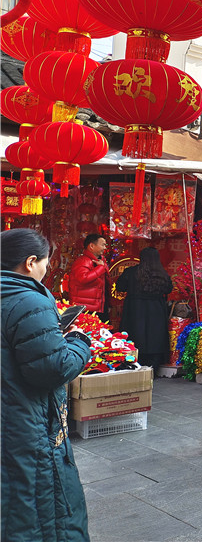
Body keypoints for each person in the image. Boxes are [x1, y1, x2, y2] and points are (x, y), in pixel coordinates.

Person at [2, 228, 92, 541]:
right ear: (30, 262)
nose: (46, 268)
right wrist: (79, 342)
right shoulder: (28, 300)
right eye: (45, 262)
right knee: (40, 510)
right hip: (25, 425)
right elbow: (53, 369)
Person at [116, 247, 173, 371]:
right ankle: (153, 367)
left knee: (135, 336)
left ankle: (134, 364)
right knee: (155, 336)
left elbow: (120, 286)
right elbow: (169, 289)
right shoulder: (162, 274)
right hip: (156, 310)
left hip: (135, 309)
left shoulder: (131, 272)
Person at [68, 233, 110, 319]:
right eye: (102, 245)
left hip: (97, 307)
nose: (105, 248)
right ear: (91, 246)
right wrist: (101, 268)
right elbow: (83, 279)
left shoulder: (100, 261)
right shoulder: (83, 261)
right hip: (86, 308)